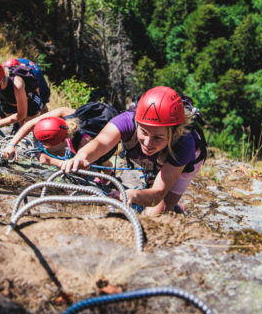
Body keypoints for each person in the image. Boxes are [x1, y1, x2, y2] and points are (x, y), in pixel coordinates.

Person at [60, 86, 206, 216]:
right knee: (150, 185)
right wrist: (81, 156)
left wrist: (134, 195)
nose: (148, 143)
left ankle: (174, 207)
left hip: (182, 164)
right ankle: (150, 179)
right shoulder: (127, 121)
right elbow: (100, 142)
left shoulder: (184, 144)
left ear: (174, 133)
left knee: (157, 214)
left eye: (157, 137)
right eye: (143, 132)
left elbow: (158, 194)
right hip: (156, 157)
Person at [2, 102, 119, 169]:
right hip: (87, 123)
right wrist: (11, 144)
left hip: (102, 140)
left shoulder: (84, 144)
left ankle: (106, 170)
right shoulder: (64, 112)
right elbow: (30, 123)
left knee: (100, 161)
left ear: (62, 141)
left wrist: (51, 161)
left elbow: (83, 167)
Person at [0, 61, 48, 133]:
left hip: (29, 103)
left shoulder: (17, 85)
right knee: (16, 124)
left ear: (0, 81)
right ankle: (17, 127)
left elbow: (21, 115)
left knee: (30, 128)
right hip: (9, 102)